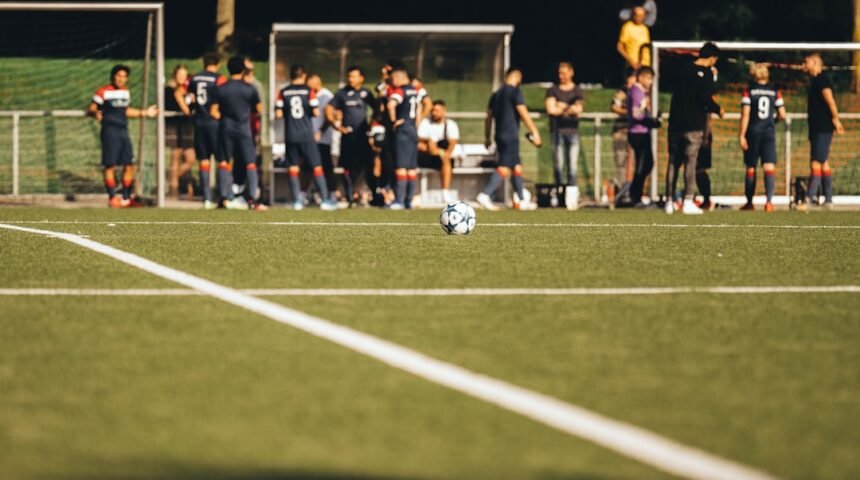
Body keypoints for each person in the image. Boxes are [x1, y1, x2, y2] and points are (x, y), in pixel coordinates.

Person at [665, 42, 724, 215]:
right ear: (713, 58)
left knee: (673, 162)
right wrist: (718, 109)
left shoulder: (683, 69)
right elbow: (705, 98)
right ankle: (688, 200)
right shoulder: (706, 73)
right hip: (693, 124)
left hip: (675, 123)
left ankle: (669, 201)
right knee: (691, 162)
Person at [87, 64, 158, 208]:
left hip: (123, 131)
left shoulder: (125, 92)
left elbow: (126, 110)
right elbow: (92, 107)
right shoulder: (103, 91)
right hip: (109, 131)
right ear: (113, 76)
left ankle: (126, 199)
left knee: (129, 165)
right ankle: (112, 198)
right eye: (119, 75)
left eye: (124, 76)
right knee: (110, 165)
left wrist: (145, 113)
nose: (121, 79)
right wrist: (95, 113)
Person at [476, 68, 542, 211]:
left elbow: (488, 117)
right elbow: (523, 112)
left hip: (499, 135)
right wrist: (535, 131)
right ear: (518, 78)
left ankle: (522, 199)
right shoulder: (514, 92)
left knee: (516, 166)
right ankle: (485, 194)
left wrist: (487, 137)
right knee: (504, 168)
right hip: (510, 135)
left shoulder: (496, 94)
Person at [275, 64, 337, 211]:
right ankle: (325, 200)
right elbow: (316, 112)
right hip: (306, 135)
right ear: (303, 76)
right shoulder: (309, 91)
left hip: (291, 135)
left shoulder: (283, 92)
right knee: (317, 166)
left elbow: (278, 114)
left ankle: (297, 200)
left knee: (293, 168)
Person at [209, 55, 266, 211]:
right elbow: (260, 109)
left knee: (224, 162)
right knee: (251, 163)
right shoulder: (249, 89)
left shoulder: (221, 88)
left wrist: (225, 116)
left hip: (225, 128)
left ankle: (224, 198)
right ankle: (253, 199)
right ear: (243, 70)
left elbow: (213, 112)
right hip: (243, 130)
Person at [798, 53, 845, 211]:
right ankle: (829, 199)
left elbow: (830, 100)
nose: (804, 65)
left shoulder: (822, 80)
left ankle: (809, 199)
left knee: (816, 162)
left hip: (823, 128)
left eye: (806, 62)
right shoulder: (814, 81)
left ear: (815, 62)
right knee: (823, 162)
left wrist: (836, 119)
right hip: (816, 128)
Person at [738, 63, 787, 212]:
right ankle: (769, 202)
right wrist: (774, 121)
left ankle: (749, 202)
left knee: (751, 167)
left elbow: (745, 114)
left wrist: (741, 135)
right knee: (769, 166)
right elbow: (783, 114)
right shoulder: (774, 91)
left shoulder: (749, 91)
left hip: (753, 132)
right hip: (768, 133)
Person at [326, 65, 375, 206]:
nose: (350, 79)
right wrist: (337, 126)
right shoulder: (341, 93)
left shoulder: (366, 93)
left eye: (354, 76)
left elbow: (377, 109)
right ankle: (349, 196)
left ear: (361, 78)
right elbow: (329, 109)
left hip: (363, 137)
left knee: (365, 166)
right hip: (347, 137)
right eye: (349, 76)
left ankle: (364, 193)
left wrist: (372, 124)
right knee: (347, 167)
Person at [184, 53, 225, 209]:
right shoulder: (219, 79)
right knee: (222, 159)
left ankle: (207, 198)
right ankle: (223, 196)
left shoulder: (194, 78)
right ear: (218, 64)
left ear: (203, 63)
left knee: (204, 160)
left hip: (199, 122)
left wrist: (190, 110)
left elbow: (189, 98)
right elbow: (223, 98)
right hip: (215, 123)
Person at [386, 67, 429, 209]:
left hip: (403, 130)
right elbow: (423, 106)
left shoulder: (400, 90)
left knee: (401, 167)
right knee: (411, 168)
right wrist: (418, 121)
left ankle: (399, 201)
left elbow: (390, 104)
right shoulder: (416, 90)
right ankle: (408, 201)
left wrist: (394, 121)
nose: (392, 82)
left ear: (398, 78)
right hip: (412, 129)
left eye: (392, 79)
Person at [545, 61, 585, 209]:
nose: (561, 75)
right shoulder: (553, 90)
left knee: (572, 166)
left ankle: (571, 198)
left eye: (564, 72)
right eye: (559, 73)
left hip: (572, 132)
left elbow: (578, 109)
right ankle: (560, 197)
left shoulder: (577, 90)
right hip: (557, 132)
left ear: (571, 72)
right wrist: (568, 108)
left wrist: (562, 106)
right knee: (559, 166)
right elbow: (551, 110)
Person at [627, 66, 659, 207]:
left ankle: (636, 194)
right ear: (640, 77)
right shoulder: (636, 91)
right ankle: (635, 196)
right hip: (637, 132)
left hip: (642, 131)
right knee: (643, 164)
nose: (650, 81)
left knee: (647, 164)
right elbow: (636, 114)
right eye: (648, 78)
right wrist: (649, 120)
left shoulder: (642, 92)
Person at [418, 100, 460, 202]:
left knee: (446, 159)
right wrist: (432, 145)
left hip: (444, 157)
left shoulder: (451, 125)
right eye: (432, 110)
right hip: (427, 156)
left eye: (437, 110)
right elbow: (420, 140)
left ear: (444, 111)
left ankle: (445, 192)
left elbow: (452, 143)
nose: (434, 113)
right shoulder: (425, 123)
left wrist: (444, 153)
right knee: (422, 144)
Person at [165, 64, 196, 199]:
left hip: (187, 127)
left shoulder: (189, 91)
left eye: (184, 75)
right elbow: (180, 107)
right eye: (179, 75)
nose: (182, 78)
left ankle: (169, 177)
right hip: (173, 125)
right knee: (175, 156)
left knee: (190, 158)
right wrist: (179, 95)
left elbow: (192, 108)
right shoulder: (169, 90)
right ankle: (173, 189)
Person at [307, 72, 336, 200]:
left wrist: (320, 131)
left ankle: (331, 193)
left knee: (326, 167)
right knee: (309, 167)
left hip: (323, 139)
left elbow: (329, 117)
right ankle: (310, 193)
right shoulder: (310, 95)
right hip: (309, 139)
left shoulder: (327, 96)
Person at [611, 72, 637, 204]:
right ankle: (622, 193)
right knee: (621, 164)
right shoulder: (621, 93)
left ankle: (635, 193)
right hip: (621, 133)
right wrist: (630, 113)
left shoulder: (643, 93)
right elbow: (614, 107)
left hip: (638, 133)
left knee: (637, 165)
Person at [617, 6, 651, 76]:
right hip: (633, 65)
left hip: (646, 64)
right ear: (633, 15)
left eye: (641, 15)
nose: (639, 17)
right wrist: (630, 61)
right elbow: (619, 47)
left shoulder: (645, 28)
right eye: (637, 15)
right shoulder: (627, 27)